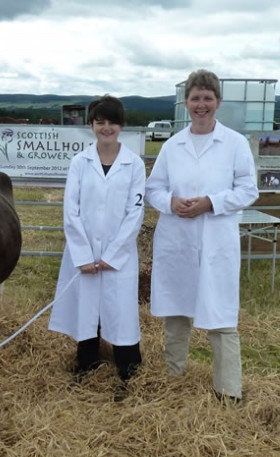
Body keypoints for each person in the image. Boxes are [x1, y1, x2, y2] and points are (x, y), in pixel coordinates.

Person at [145, 69, 259, 403]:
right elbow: (154, 187)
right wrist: (170, 201)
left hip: (216, 243)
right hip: (178, 240)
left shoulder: (235, 144)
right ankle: (173, 378)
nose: (201, 104)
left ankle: (228, 390)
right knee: (177, 312)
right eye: (195, 98)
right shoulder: (172, 146)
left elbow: (248, 189)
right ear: (186, 103)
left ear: (218, 102)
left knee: (221, 315)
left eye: (208, 98)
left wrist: (212, 203)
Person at [48, 95, 146, 396]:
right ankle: (86, 365)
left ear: (122, 125)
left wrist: (113, 254)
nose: (106, 128)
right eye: (99, 122)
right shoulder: (80, 162)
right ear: (91, 125)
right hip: (85, 253)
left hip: (120, 256)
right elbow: (71, 211)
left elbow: (135, 212)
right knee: (86, 309)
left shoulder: (134, 164)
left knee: (121, 311)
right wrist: (84, 255)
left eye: (112, 122)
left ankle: (129, 371)